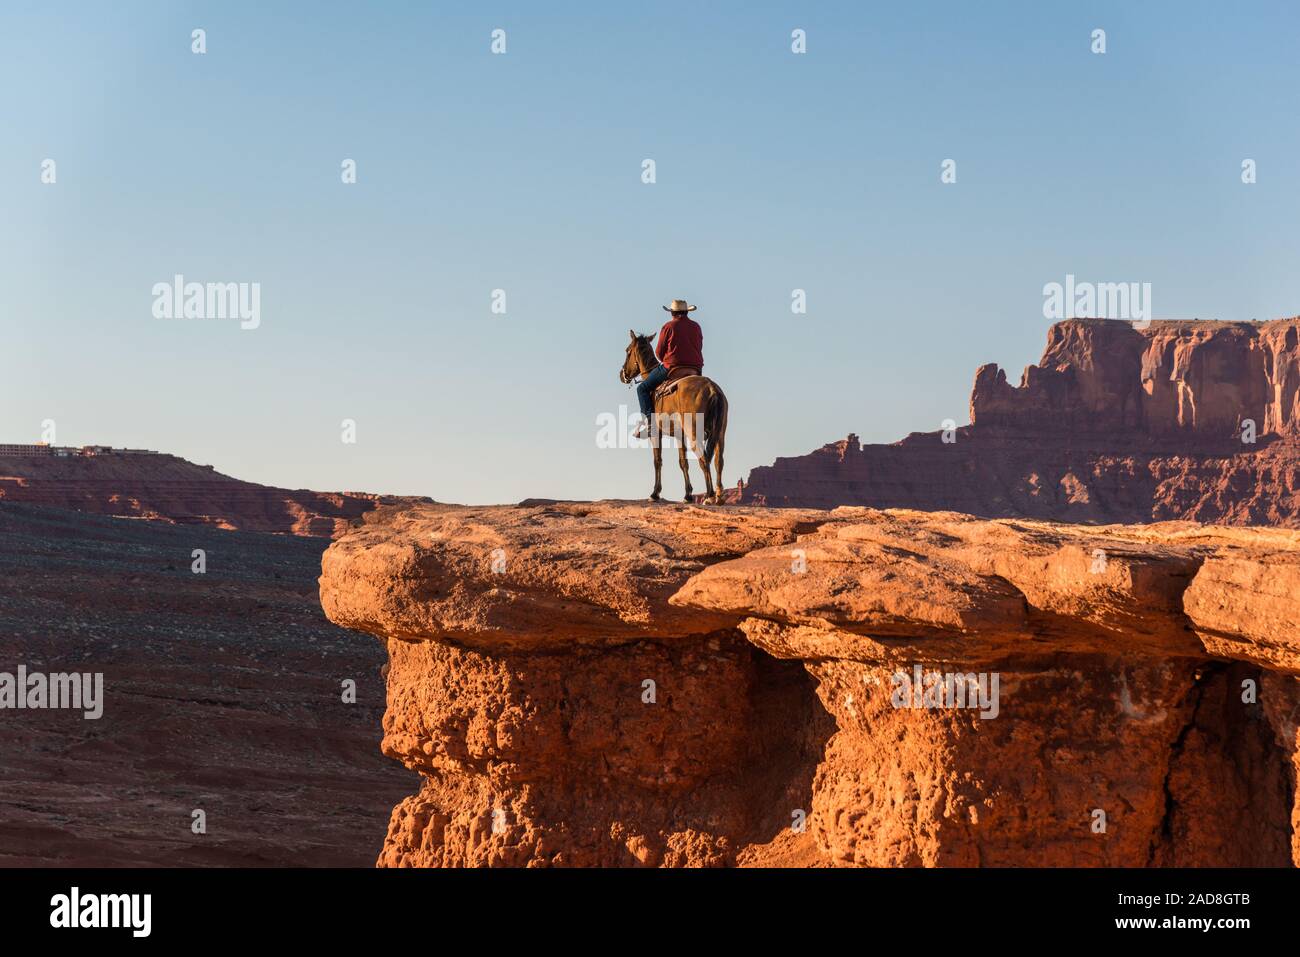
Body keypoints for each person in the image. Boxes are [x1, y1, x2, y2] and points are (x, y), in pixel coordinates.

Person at [634, 299, 705, 438]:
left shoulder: (668, 326)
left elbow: (659, 353)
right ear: (686, 312)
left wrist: (668, 358)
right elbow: (699, 346)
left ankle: (650, 424)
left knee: (642, 389)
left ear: (672, 312)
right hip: (695, 370)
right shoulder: (696, 326)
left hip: (672, 368)